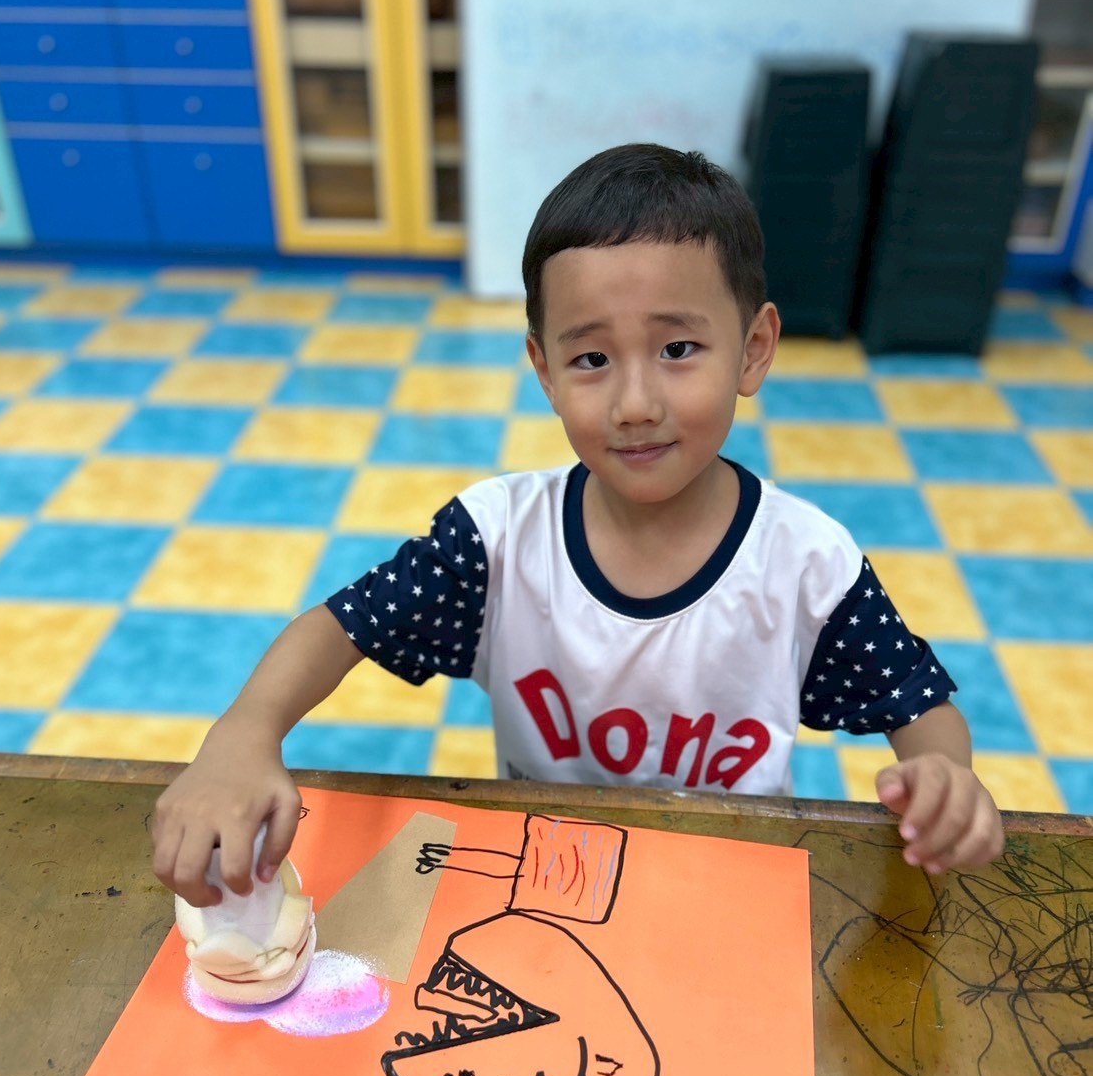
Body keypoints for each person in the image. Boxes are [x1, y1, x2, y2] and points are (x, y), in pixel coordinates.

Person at [156, 142, 1004, 908]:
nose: (635, 403)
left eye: (678, 349)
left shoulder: (806, 561)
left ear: (753, 348)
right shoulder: (496, 541)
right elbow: (342, 625)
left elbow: (919, 705)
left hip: (728, 892)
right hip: (546, 889)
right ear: (545, 370)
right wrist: (245, 732)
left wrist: (945, 777)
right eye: (591, 358)